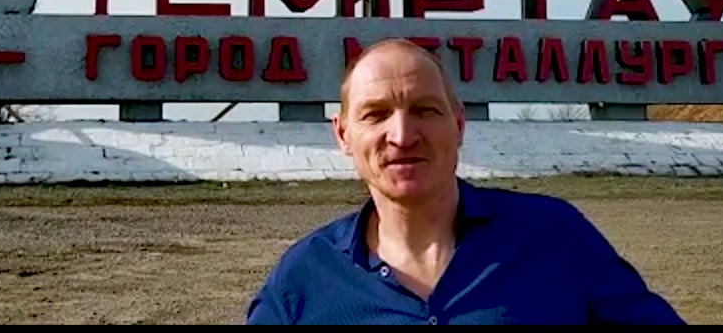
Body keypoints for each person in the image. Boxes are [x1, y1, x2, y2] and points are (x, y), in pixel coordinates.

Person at [245, 38, 685, 325]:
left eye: (425, 110)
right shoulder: (304, 279)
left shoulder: (555, 237)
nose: (402, 135)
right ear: (343, 134)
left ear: (458, 124)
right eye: (376, 114)